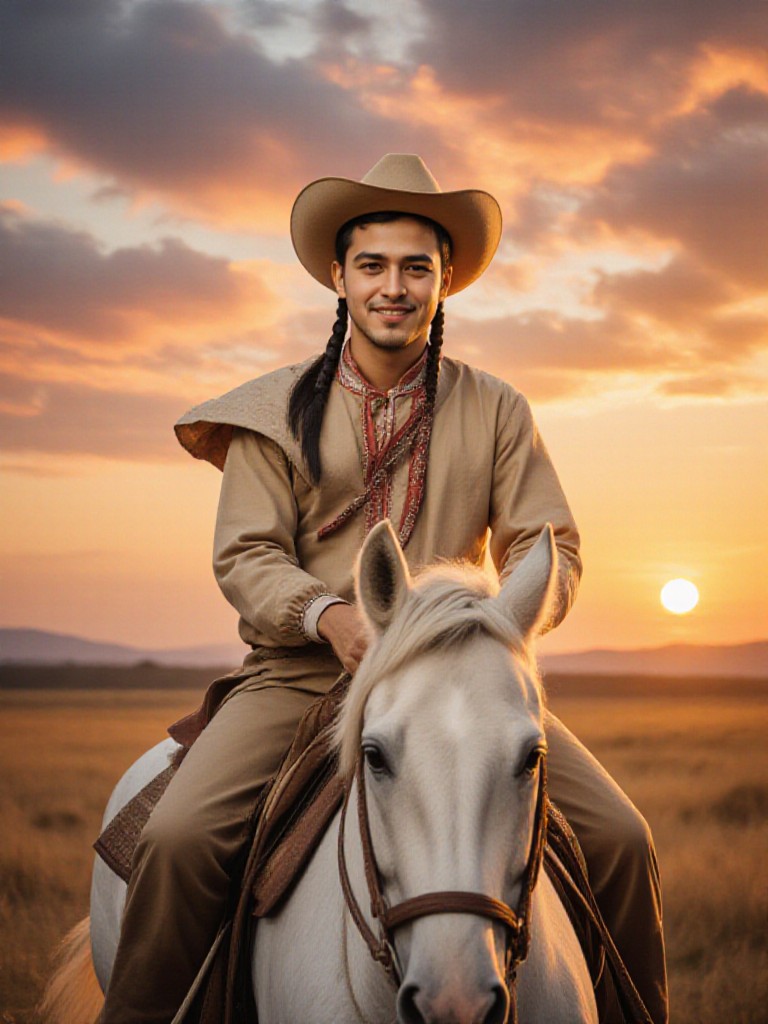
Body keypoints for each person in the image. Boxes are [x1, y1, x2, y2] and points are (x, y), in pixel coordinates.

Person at [99, 154, 668, 1024]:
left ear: (445, 280)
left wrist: (504, 625)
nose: (393, 287)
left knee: (624, 839)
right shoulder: (271, 411)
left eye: (415, 268)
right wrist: (328, 616)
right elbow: (247, 554)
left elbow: (549, 545)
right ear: (339, 277)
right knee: (178, 841)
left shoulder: (498, 409)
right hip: (300, 676)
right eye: (372, 265)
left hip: (460, 678)